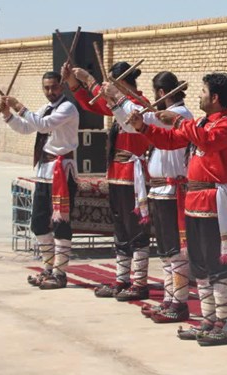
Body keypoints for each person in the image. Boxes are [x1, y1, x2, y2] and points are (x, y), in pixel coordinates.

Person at [126, 72, 227, 346]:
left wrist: (177, 119)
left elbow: (207, 141)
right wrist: (144, 128)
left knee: (216, 264)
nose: (199, 96)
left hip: (214, 202)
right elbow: (171, 141)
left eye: (203, 91)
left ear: (215, 97)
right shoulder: (200, 122)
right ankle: (208, 319)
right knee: (199, 265)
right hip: (193, 200)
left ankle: (224, 321)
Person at [105, 71, 193, 322]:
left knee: (175, 250)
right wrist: (116, 102)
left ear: (161, 94)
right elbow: (135, 122)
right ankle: (170, 298)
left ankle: (179, 302)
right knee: (165, 250)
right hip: (159, 190)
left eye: (155, 93)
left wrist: (118, 98)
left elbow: (149, 119)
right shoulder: (164, 117)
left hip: (171, 191)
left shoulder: (181, 116)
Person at [62, 62, 153, 301]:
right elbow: (95, 104)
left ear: (121, 82)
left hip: (133, 177)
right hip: (116, 176)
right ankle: (122, 280)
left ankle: (140, 282)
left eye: (110, 83)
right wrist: (75, 82)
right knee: (121, 230)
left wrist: (91, 81)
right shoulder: (118, 104)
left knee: (136, 231)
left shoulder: (140, 105)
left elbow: (126, 118)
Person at [0, 71, 79, 289]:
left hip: (62, 172)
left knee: (61, 224)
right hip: (45, 172)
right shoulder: (46, 108)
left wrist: (19, 106)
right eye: (46, 88)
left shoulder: (67, 108)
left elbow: (43, 125)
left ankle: (60, 274)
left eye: (53, 87)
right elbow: (28, 127)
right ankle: (48, 268)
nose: (49, 92)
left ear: (61, 87)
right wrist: (8, 115)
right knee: (38, 223)